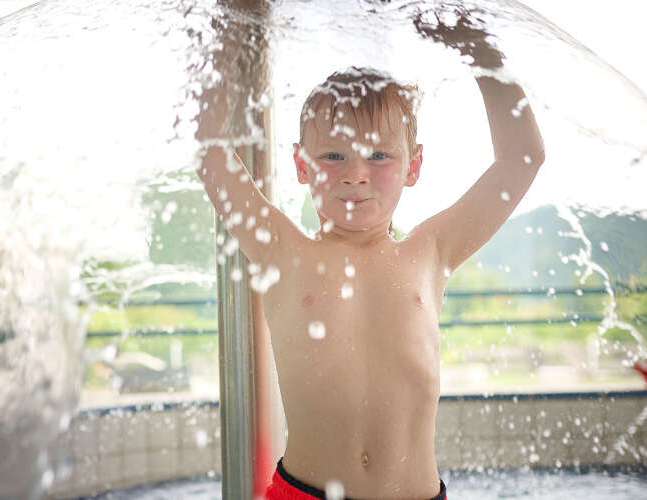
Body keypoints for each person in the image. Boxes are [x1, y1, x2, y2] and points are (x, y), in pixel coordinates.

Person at [195, 6, 544, 500]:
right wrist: (230, 36)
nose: (355, 174)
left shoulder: (430, 252)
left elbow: (522, 159)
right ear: (301, 164)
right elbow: (212, 155)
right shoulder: (284, 251)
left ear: (413, 165)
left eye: (379, 155)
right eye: (333, 155)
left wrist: (479, 49)